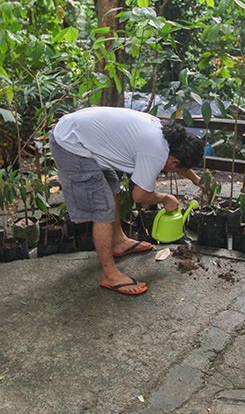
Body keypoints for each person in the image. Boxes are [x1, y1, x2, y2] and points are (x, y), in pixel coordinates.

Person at [49, 106, 204, 295]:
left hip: (79, 134)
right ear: (173, 161)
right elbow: (139, 195)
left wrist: (198, 181)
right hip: (70, 144)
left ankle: (118, 242)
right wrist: (165, 198)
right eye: (176, 167)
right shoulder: (155, 151)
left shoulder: (168, 137)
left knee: (112, 183)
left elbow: (180, 163)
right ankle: (110, 274)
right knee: (102, 207)